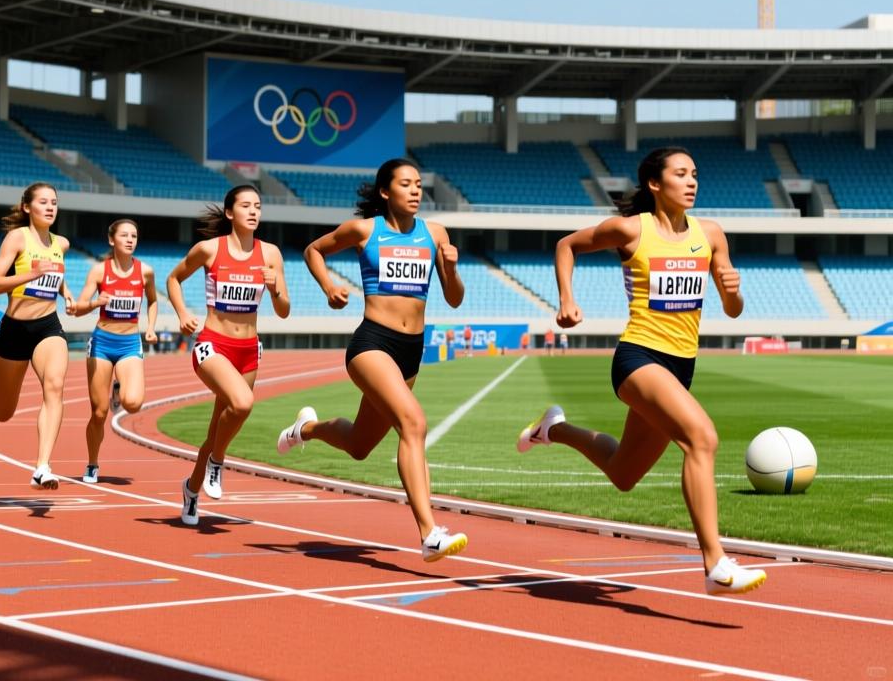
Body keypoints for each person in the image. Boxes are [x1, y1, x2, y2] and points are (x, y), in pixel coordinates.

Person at [516, 146, 767, 596]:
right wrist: (566, 300)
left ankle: (553, 428)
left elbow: (732, 311)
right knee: (702, 437)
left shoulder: (710, 234)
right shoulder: (632, 230)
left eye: (695, 174)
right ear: (655, 184)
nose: (691, 182)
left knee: (623, 473)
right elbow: (566, 246)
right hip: (639, 359)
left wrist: (732, 291)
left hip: (681, 365)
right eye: (680, 174)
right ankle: (715, 563)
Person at [278, 158, 469, 562]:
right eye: (406, 184)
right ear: (386, 192)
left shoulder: (435, 234)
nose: (416, 191)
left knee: (360, 445)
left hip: (411, 352)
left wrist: (450, 270)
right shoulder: (366, 230)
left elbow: (453, 298)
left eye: (419, 184)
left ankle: (306, 428)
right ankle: (428, 532)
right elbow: (314, 250)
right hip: (372, 344)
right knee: (413, 423)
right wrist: (329, 286)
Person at [166, 184, 290, 525]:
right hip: (213, 345)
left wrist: (274, 286)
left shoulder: (271, 255)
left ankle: (192, 489)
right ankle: (218, 464)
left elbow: (283, 311)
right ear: (230, 213)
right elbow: (174, 279)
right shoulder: (208, 250)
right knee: (243, 403)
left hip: (249, 351)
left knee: (216, 430)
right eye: (246, 206)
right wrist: (181, 313)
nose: (254, 211)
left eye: (258, 206)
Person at [0, 182, 74, 490]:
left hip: (48, 327)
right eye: (43, 202)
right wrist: (30, 275)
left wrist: (66, 293)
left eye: (54, 202)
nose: (50, 207)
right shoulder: (17, 238)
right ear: (27, 207)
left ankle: (42, 466)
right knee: (4, 412)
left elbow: (57, 274)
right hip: (14, 329)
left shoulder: (62, 243)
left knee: (54, 387)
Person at [70, 218, 159, 484]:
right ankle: (92, 463)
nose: (130, 239)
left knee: (133, 404)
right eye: (124, 235)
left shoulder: (146, 272)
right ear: (112, 240)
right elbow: (79, 307)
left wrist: (151, 326)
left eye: (134, 235)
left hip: (130, 342)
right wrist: (97, 301)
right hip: (102, 343)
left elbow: (153, 301)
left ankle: (119, 389)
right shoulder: (99, 272)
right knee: (98, 413)